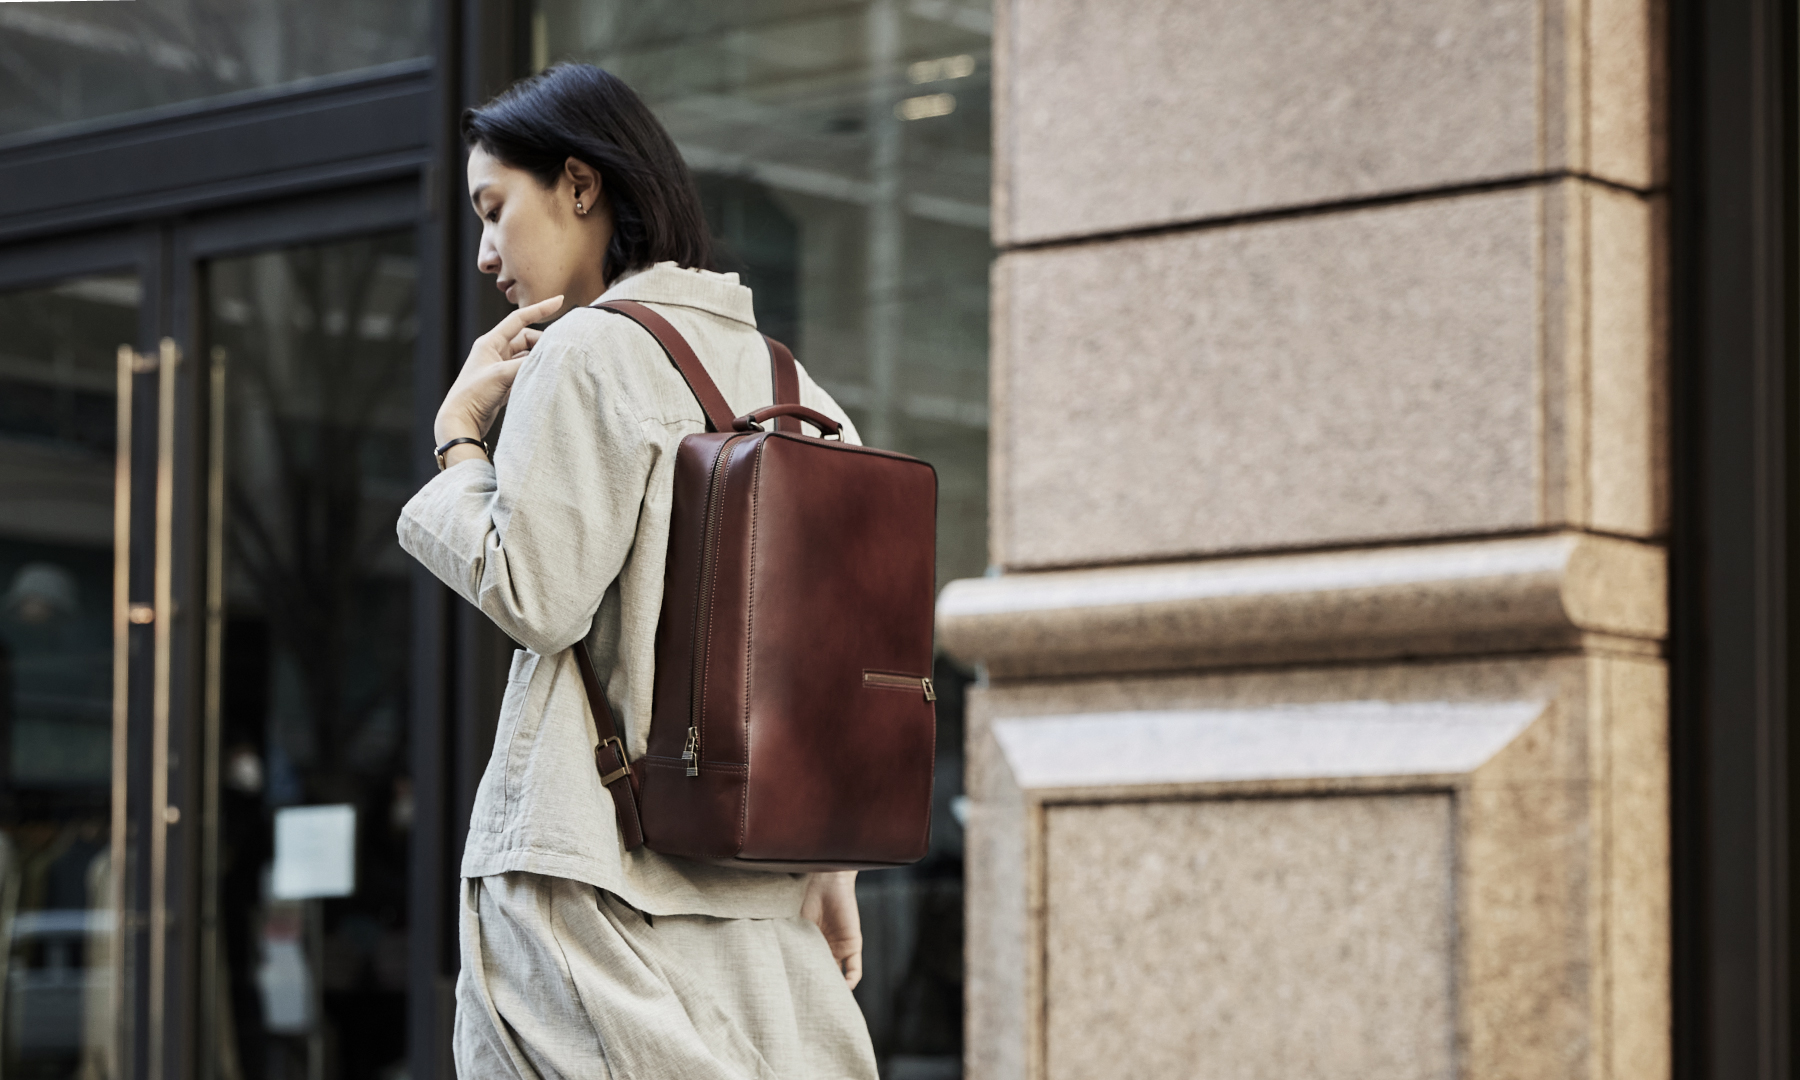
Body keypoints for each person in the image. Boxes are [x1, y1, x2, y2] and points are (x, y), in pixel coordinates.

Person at [397, 63, 877, 1079]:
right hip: (758, 908)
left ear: (581, 183)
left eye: (495, 210)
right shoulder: (807, 393)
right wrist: (828, 862)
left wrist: (456, 441)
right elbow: (824, 667)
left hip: (600, 897)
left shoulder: (590, 351)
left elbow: (535, 593)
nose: (485, 254)